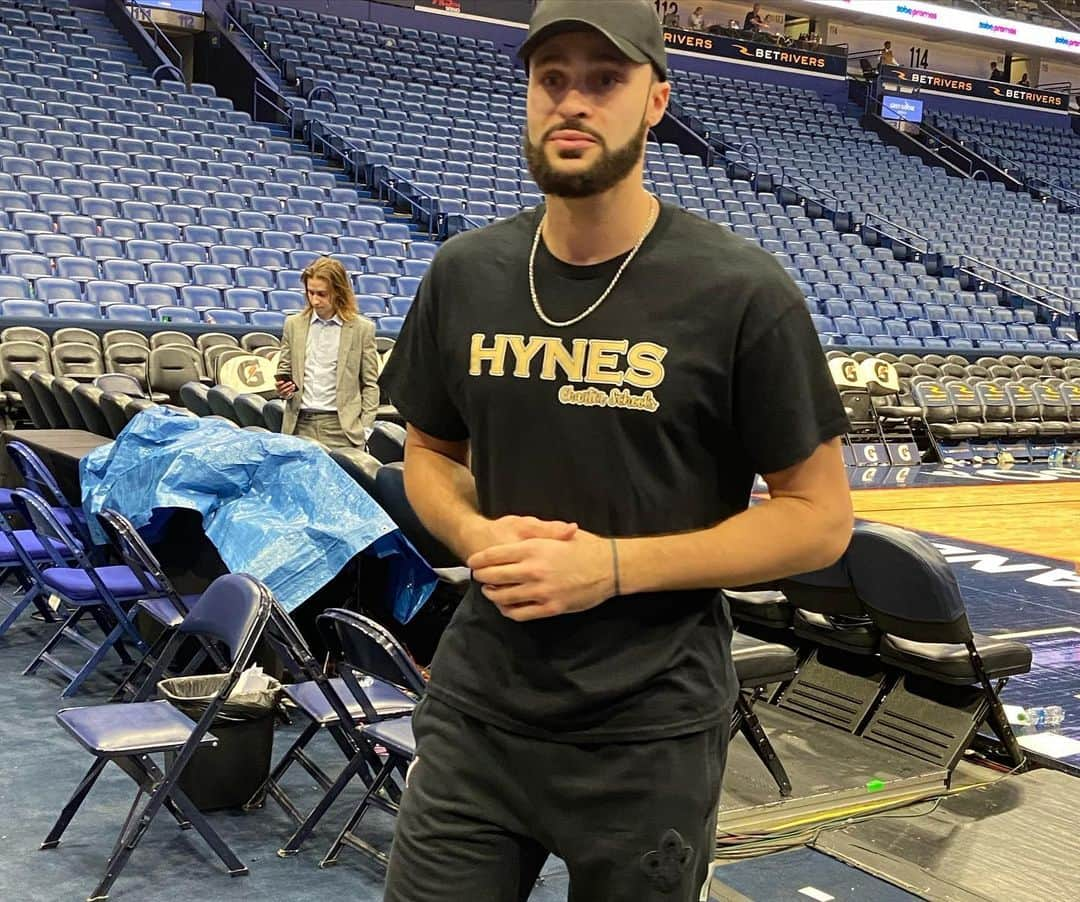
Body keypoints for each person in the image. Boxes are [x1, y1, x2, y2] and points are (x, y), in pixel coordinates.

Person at [380, 1, 854, 899]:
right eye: (552, 78)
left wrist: (612, 567)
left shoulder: (741, 292)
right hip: (481, 710)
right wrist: (477, 538)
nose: (573, 102)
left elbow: (820, 522)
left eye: (605, 80)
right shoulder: (466, 273)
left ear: (656, 101)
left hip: (650, 730)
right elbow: (430, 456)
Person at [275, 256, 380, 449]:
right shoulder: (293, 325)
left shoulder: (362, 329)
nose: (315, 300)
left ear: (338, 292)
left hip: (342, 430)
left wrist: (365, 429)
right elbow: (284, 371)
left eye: (322, 294)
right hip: (299, 426)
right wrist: (284, 390)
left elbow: (370, 384)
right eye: (310, 293)